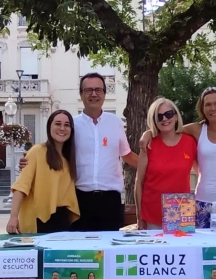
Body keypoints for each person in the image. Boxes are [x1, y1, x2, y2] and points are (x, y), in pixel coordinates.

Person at [20, 73, 138, 231]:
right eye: (88, 90)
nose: (93, 94)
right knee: (80, 251)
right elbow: (51, 150)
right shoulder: (71, 125)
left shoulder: (115, 123)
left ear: (104, 93)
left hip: (111, 200)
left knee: (108, 250)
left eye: (98, 90)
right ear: (81, 94)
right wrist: (29, 162)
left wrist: (154, 166)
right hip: (78, 198)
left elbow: (127, 154)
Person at [140, 87, 216, 228]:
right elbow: (169, 128)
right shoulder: (196, 129)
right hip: (203, 203)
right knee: (204, 249)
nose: (213, 108)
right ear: (202, 108)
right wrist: (148, 134)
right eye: (208, 104)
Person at [6, 110, 80, 234]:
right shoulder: (37, 151)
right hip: (40, 220)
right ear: (49, 126)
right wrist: (13, 217)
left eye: (67, 125)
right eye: (58, 124)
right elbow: (21, 187)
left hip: (63, 220)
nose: (62, 128)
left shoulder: (68, 159)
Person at [135, 98, 197, 230]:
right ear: (154, 120)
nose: (164, 119)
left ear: (175, 116)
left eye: (168, 114)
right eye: (159, 116)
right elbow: (138, 182)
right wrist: (139, 217)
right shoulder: (148, 144)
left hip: (182, 213)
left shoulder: (190, 142)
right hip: (152, 215)